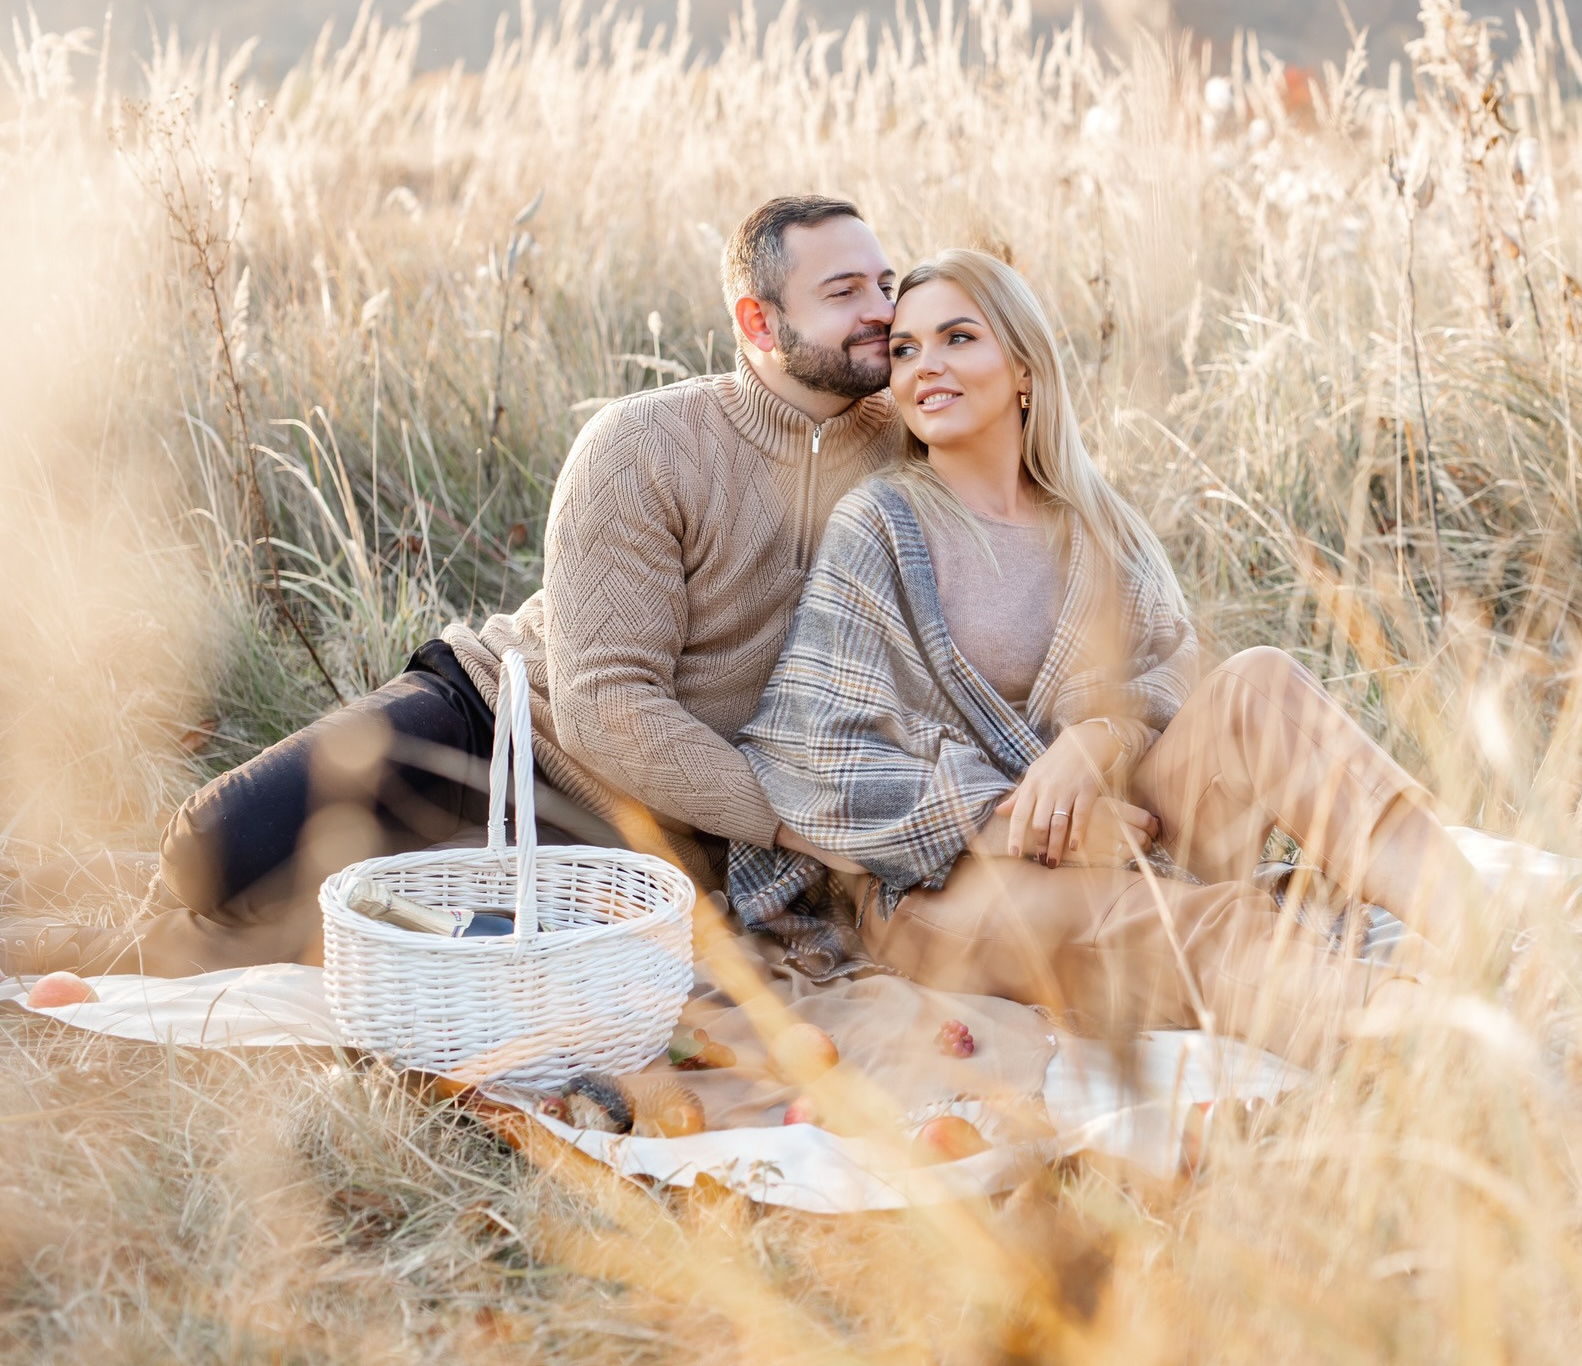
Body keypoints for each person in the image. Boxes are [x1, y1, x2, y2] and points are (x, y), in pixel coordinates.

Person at [3, 194, 908, 976]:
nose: (881, 311)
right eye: (844, 293)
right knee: (215, 848)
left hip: (645, 825)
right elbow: (607, 705)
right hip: (498, 721)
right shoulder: (648, 445)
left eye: (885, 285)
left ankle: (124, 945)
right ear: (758, 323)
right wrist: (793, 822)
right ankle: (102, 909)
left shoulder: (909, 447)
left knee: (404, 936)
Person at [730, 249, 1484, 1063]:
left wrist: (1101, 739)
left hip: (1134, 831)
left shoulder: (1092, 522)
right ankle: (1421, 1041)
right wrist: (1011, 813)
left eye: (957, 338)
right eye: (906, 349)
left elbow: (1171, 668)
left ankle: (1496, 944)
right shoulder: (878, 524)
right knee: (1179, 925)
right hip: (942, 886)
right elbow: (819, 753)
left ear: (1022, 367)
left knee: (1260, 683)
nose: (926, 367)